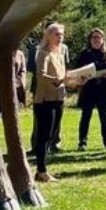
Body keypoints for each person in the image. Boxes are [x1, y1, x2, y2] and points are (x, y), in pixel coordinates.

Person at [33, 23, 67, 182]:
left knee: (52, 135)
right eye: (56, 34)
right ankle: (41, 170)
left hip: (59, 98)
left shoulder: (59, 54)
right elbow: (41, 76)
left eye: (61, 34)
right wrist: (57, 80)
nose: (59, 37)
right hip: (45, 99)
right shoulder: (43, 53)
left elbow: (63, 76)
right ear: (48, 36)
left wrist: (73, 79)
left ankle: (43, 169)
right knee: (44, 135)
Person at [74, 29, 106, 151]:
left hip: (103, 89)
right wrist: (83, 76)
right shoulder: (84, 54)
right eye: (93, 37)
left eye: (98, 37)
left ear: (103, 39)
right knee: (85, 116)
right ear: (90, 39)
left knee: (105, 117)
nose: (96, 40)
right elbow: (77, 70)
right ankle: (82, 143)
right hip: (88, 88)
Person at [0, 49, 27, 127]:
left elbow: (22, 71)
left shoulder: (18, 53)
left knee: (11, 118)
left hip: (11, 89)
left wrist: (20, 84)